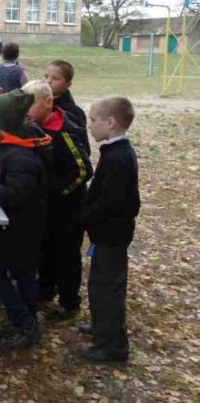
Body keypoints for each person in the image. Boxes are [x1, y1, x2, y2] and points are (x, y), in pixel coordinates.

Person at [0, 89, 51, 349]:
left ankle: (25, 322)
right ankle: (26, 319)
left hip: (19, 228)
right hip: (14, 225)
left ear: (2, 123)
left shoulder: (21, 154)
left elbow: (14, 195)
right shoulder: (12, 144)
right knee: (22, 274)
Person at [22, 80, 93, 320]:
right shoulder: (34, 127)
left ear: (48, 102)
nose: (26, 110)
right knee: (45, 249)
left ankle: (69, 302)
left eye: (30, 104)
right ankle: (45, 289)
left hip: (68, 209)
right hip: (45, 208)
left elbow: (83, 171)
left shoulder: (65, 131)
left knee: (66, 256)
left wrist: (57, 193)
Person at [78, 97, 140, 363]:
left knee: (108, 287)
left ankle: (113, 345)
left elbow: (112, 201)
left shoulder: (119, 157)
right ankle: (101, 325)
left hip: (112, 234)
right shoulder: (114, 151)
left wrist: (83, 219)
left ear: (111, 122)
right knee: (99, 283)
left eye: (93, 120)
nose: (90, 126)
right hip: (107, 233)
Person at [44, 59, 89, 153]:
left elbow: (82, 148)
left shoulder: (73, 112)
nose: (48, 81)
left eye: (55, 78)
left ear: (68, 85)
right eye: (46, 76)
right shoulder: (38, 104)